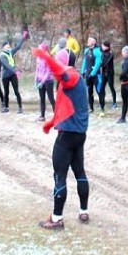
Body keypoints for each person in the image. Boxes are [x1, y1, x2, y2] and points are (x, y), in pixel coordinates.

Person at [32, 46, 90, 230]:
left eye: (59, 58)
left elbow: (59, 72)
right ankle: (83, 211)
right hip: (78, 133)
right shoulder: (75, 79)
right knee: (79, 171)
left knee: (59, 176)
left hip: (67, 136)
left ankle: (57, 219)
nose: (56, 61)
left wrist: (46, 57)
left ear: (65, 61)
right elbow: (67, 108)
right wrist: (51, 123)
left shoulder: (71, 75)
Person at [0, 33, 28, 113]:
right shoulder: (2, 56)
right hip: (5, 76)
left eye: (8, 45)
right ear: (3, 47)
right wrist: (15, 70)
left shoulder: (11, 52)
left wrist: (23, 38)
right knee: (6, 92)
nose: (8, 46)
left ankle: (20, 108)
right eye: (6, 45)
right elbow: (7, 65)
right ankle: (6, 107)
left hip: (12, 75)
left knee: (16, 91)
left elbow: (18, 47)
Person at [80, 36, 103, 113]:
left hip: (96, 75)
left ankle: (102, 107)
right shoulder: (86, 50)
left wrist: (92, 74)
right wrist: (82, 72)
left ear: (94, 42)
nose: (88, 41)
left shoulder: (97, 51)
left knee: (99, 90)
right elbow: (84, 62)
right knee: (89, 91)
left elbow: (98, 63)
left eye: (89, 40)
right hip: (88, 74)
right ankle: (91, 107)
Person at [34, 42, 56, 122]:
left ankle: (57, 115)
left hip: (48, 81)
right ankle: (42, 116)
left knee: (51, 99)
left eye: (40, 49)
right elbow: (37, 69)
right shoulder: (38, 57)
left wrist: (42, 82)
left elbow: (48, 71)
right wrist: (35, 79)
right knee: (42, 98)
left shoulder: (48, 57)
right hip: (40, 80)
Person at [99, 41, 117, 110]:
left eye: (103, 46)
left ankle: (114, 102)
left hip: (109, 73)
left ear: (107, 47)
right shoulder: (103, 52)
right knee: (102, 88)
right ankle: (102, 102)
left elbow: (105, 63)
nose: (102, 47)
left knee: (111, 87)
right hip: (104, 73)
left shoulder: (110, 54)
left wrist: (99, 65)